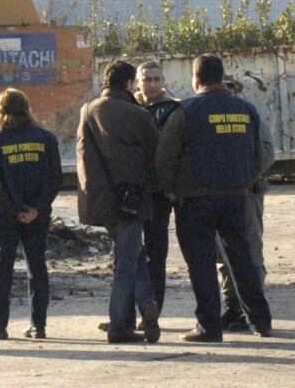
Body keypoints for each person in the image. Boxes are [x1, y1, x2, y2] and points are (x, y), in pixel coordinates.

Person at [156, 54, 272, 342]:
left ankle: (209, 326)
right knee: (242, 260)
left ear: (196, 79)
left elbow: (165, 156)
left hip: (195, 199)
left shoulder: (185, 111)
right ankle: (261, 321)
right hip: (237, 197)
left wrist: (169, 188)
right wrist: (246, 180)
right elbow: (261, 155)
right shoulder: (246, 109)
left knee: (202, 264)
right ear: (221, 77)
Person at [77, 59, 160, 344]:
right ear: (128, 83)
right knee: (127, 262)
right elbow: (155, 153)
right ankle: (119, 326)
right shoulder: (138, 114)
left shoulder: (88, 111)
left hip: (102, 201)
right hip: (132, 199)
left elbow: (83, 157)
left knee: (132, 254)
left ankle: (146, 301)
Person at [0, 88, 62, 341]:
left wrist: (14, 209)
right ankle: (39, 326)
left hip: (4, 215)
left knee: (3, 267)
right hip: (37, 215)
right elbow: (55, 178)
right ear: (27, 108)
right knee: (37, 267)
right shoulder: (46, 139)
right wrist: (36, 208)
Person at [216, 74, 275, 333]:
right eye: (223, 86)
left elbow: (267, 151)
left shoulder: (248, 114)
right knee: (224, 257)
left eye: (230, 87)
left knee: (250, 253)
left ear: (236, 90)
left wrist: (245, 178)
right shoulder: (211, 117)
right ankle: (233, 309)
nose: (226, 92)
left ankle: (253, 309)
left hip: (247, 194)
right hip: (220, 195)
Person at [135, 60, 180, 314]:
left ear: (163, 82)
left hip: (160, 194)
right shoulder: (129, 108)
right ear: (138, 82)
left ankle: (153, 311)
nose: (151, 84)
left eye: (156, 79)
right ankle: (129, 313)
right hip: (133, 191)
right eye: (146, 79)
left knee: (156, 254)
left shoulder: (173, 109)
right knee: (129, 255)